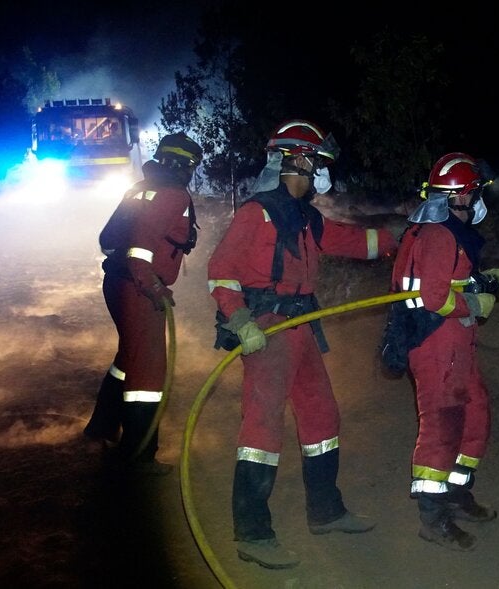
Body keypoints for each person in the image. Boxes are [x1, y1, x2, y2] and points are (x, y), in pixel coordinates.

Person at [207, 119, 398, 569]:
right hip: (268, 329)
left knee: (321, 417)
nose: (319, 173)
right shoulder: (257, 213)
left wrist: (400, 237)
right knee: (262, 430)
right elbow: (220, 269)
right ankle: (252, 534)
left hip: (302, 328)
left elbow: (349, 241)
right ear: (295, 159)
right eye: (316, 163)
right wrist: (240, 320)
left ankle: (326, 512)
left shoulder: (306, 217)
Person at [389, 152, 499, 550]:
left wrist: (486, 282)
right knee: (442, 427)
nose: (478, 199)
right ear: (458, 196)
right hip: (435, 346)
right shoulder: (438, 233)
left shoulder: (448, 229)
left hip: (457, 345)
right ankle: (432, 516)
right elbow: (433, 297)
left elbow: (455, 278)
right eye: (475, 192)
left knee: (475, 414)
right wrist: (474, 305)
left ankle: (456, 493)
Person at [84, 132, 203, 474]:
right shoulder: (172, 195)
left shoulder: (140, 188)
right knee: (147, 374)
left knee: (128, 358)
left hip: (118, 283)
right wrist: (154, 287)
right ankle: (138, 455)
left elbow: (111, 242)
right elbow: (141, 249)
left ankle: (103, 425)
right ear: (183, 165)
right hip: (139, 289)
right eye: (192, 166)